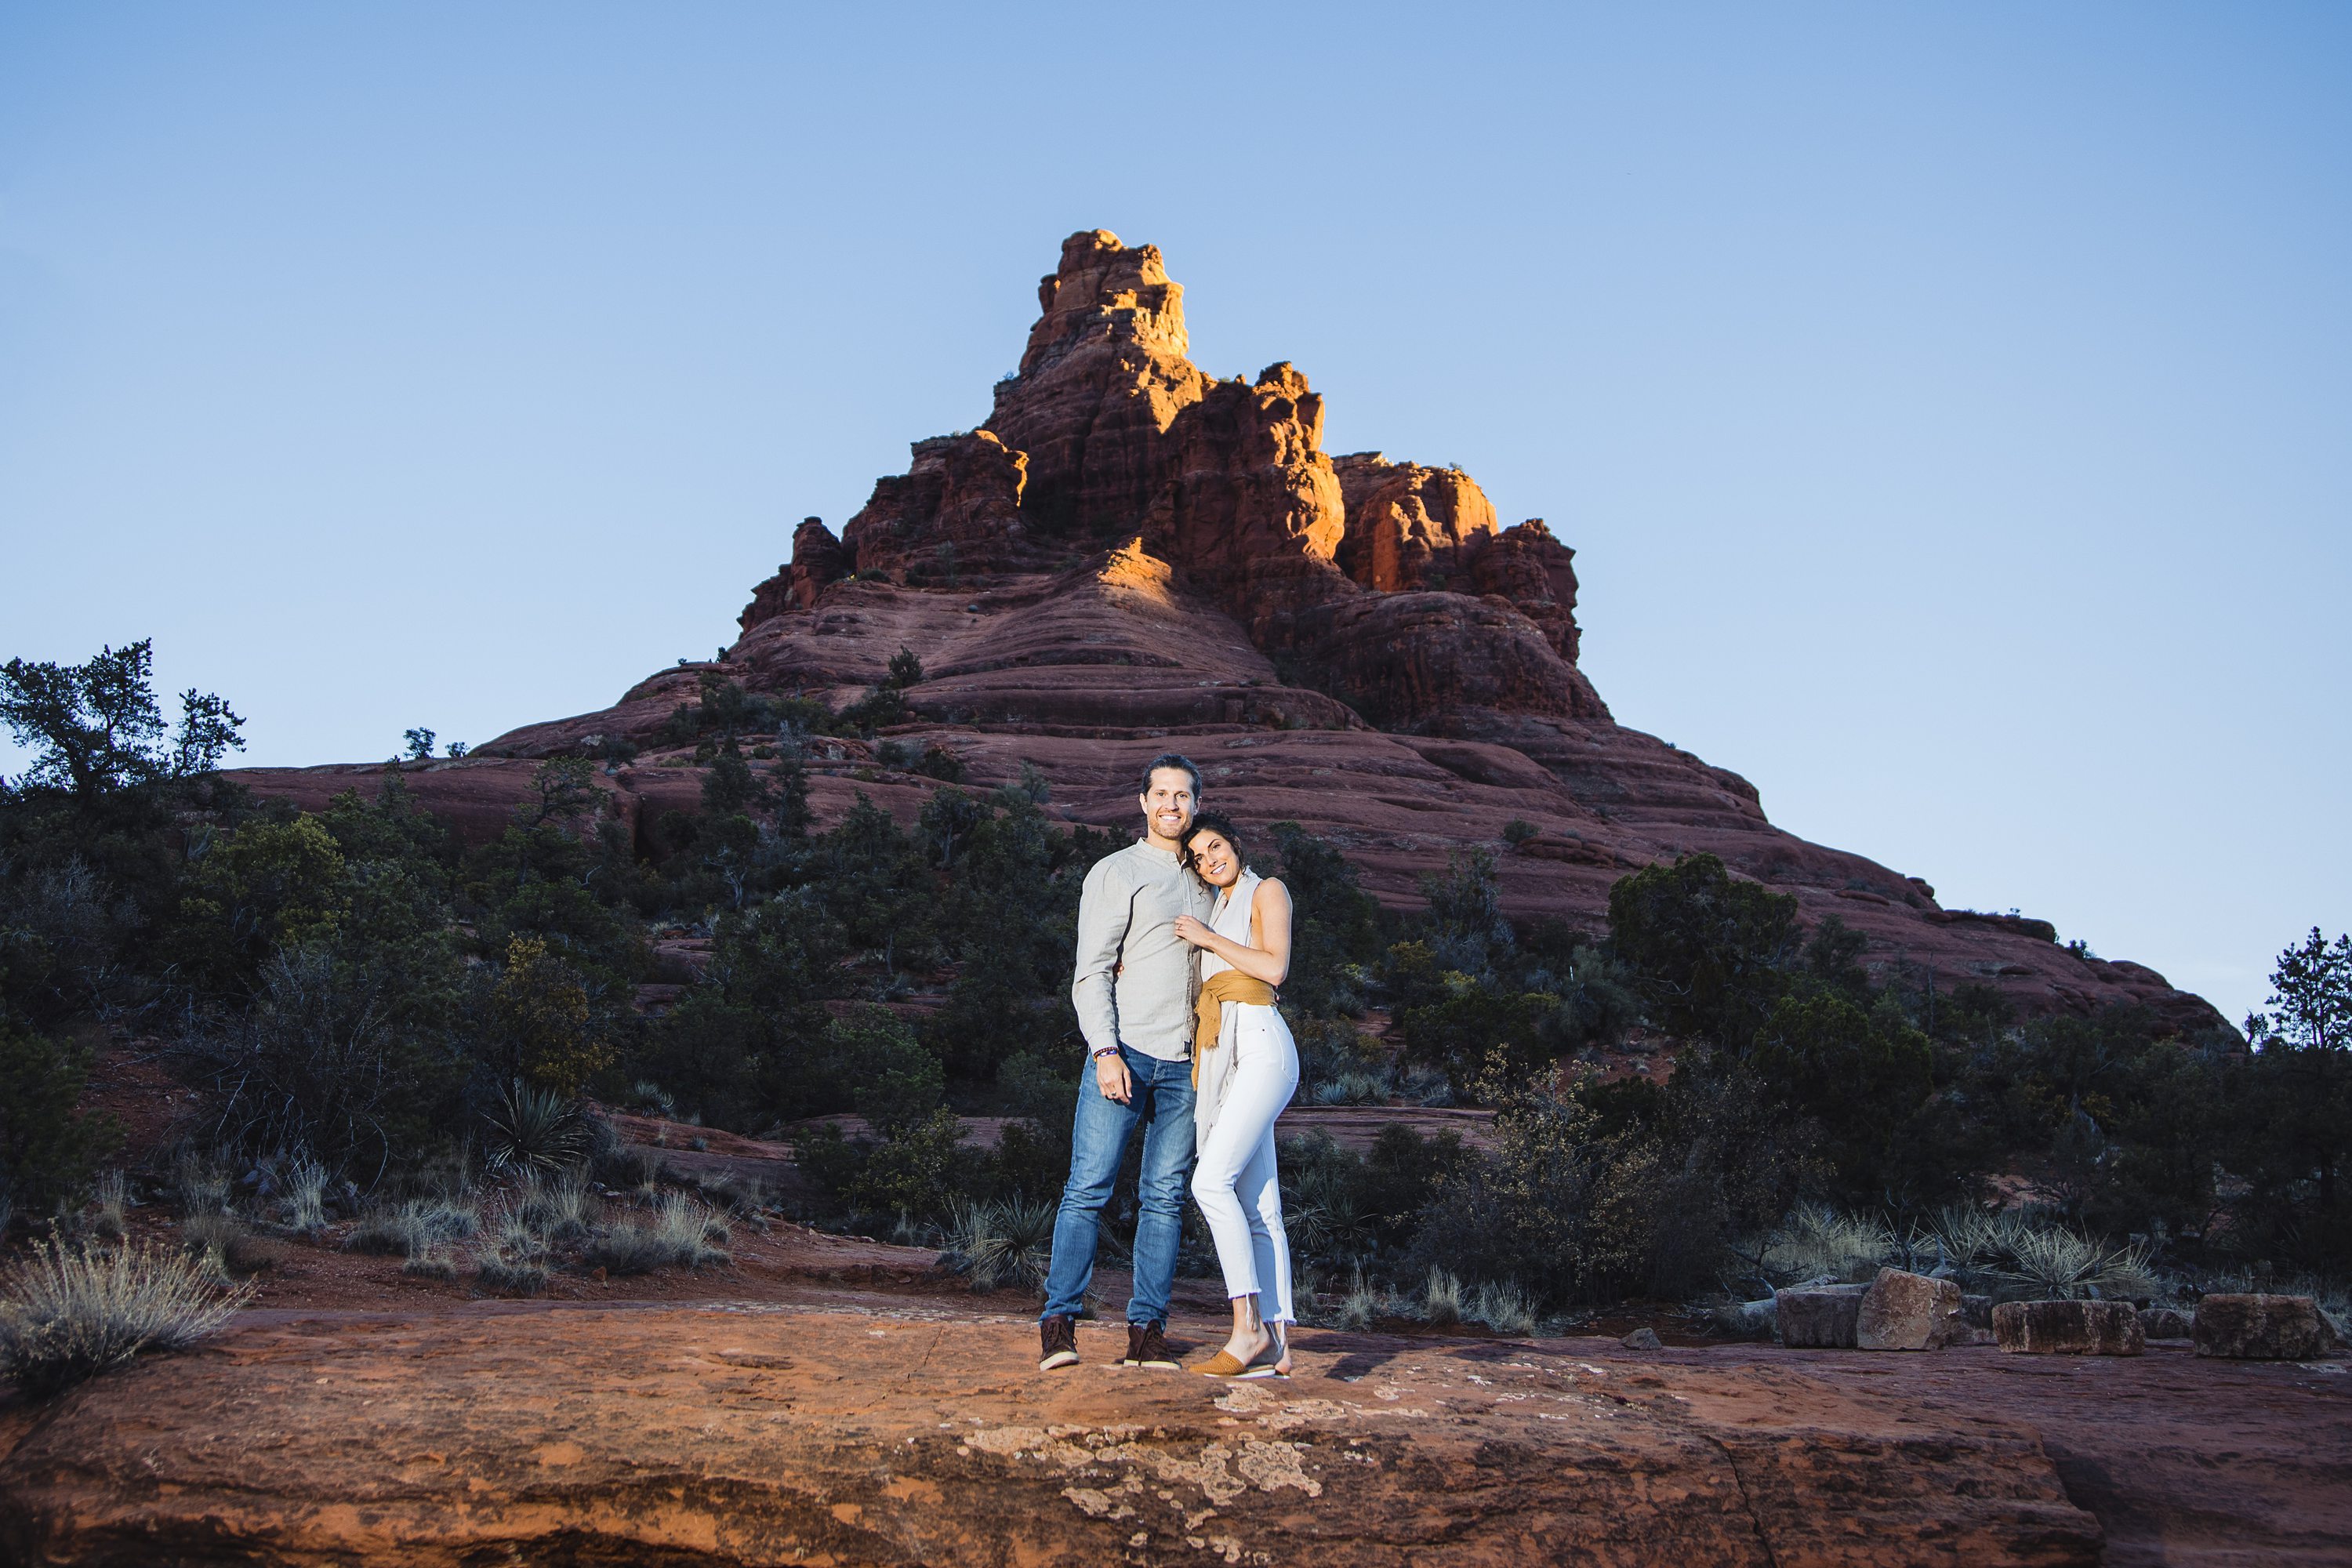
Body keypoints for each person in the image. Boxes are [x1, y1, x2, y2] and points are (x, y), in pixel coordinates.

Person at [1036, 753, 1213, 1374]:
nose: (1172, 805)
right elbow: (1090, 971)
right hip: (1126, 1053)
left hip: (1189, 1063)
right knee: (1088, 1189)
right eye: (1161, 794)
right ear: (1142, 802)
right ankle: (1059, 1324)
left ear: (1196, 803)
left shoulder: (1208, 873)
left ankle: (1148, 1334)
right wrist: (1105, 1051)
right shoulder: (1116, 871)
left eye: (1183, 795)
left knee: (1164, 1198)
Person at [1172, 811, 1298, 1378]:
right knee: (1260, 1204)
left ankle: (1245, 1329)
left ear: (1235, 844)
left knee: (1209, 1181)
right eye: (1198, 856)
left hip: (1263, 1044)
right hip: (1228, 1051)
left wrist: (1205, 939)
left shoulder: (1266, 890)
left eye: (1214, 846)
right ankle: (1279, 1343)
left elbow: (1275, 968)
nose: (1209, 860)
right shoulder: (1216, 906)